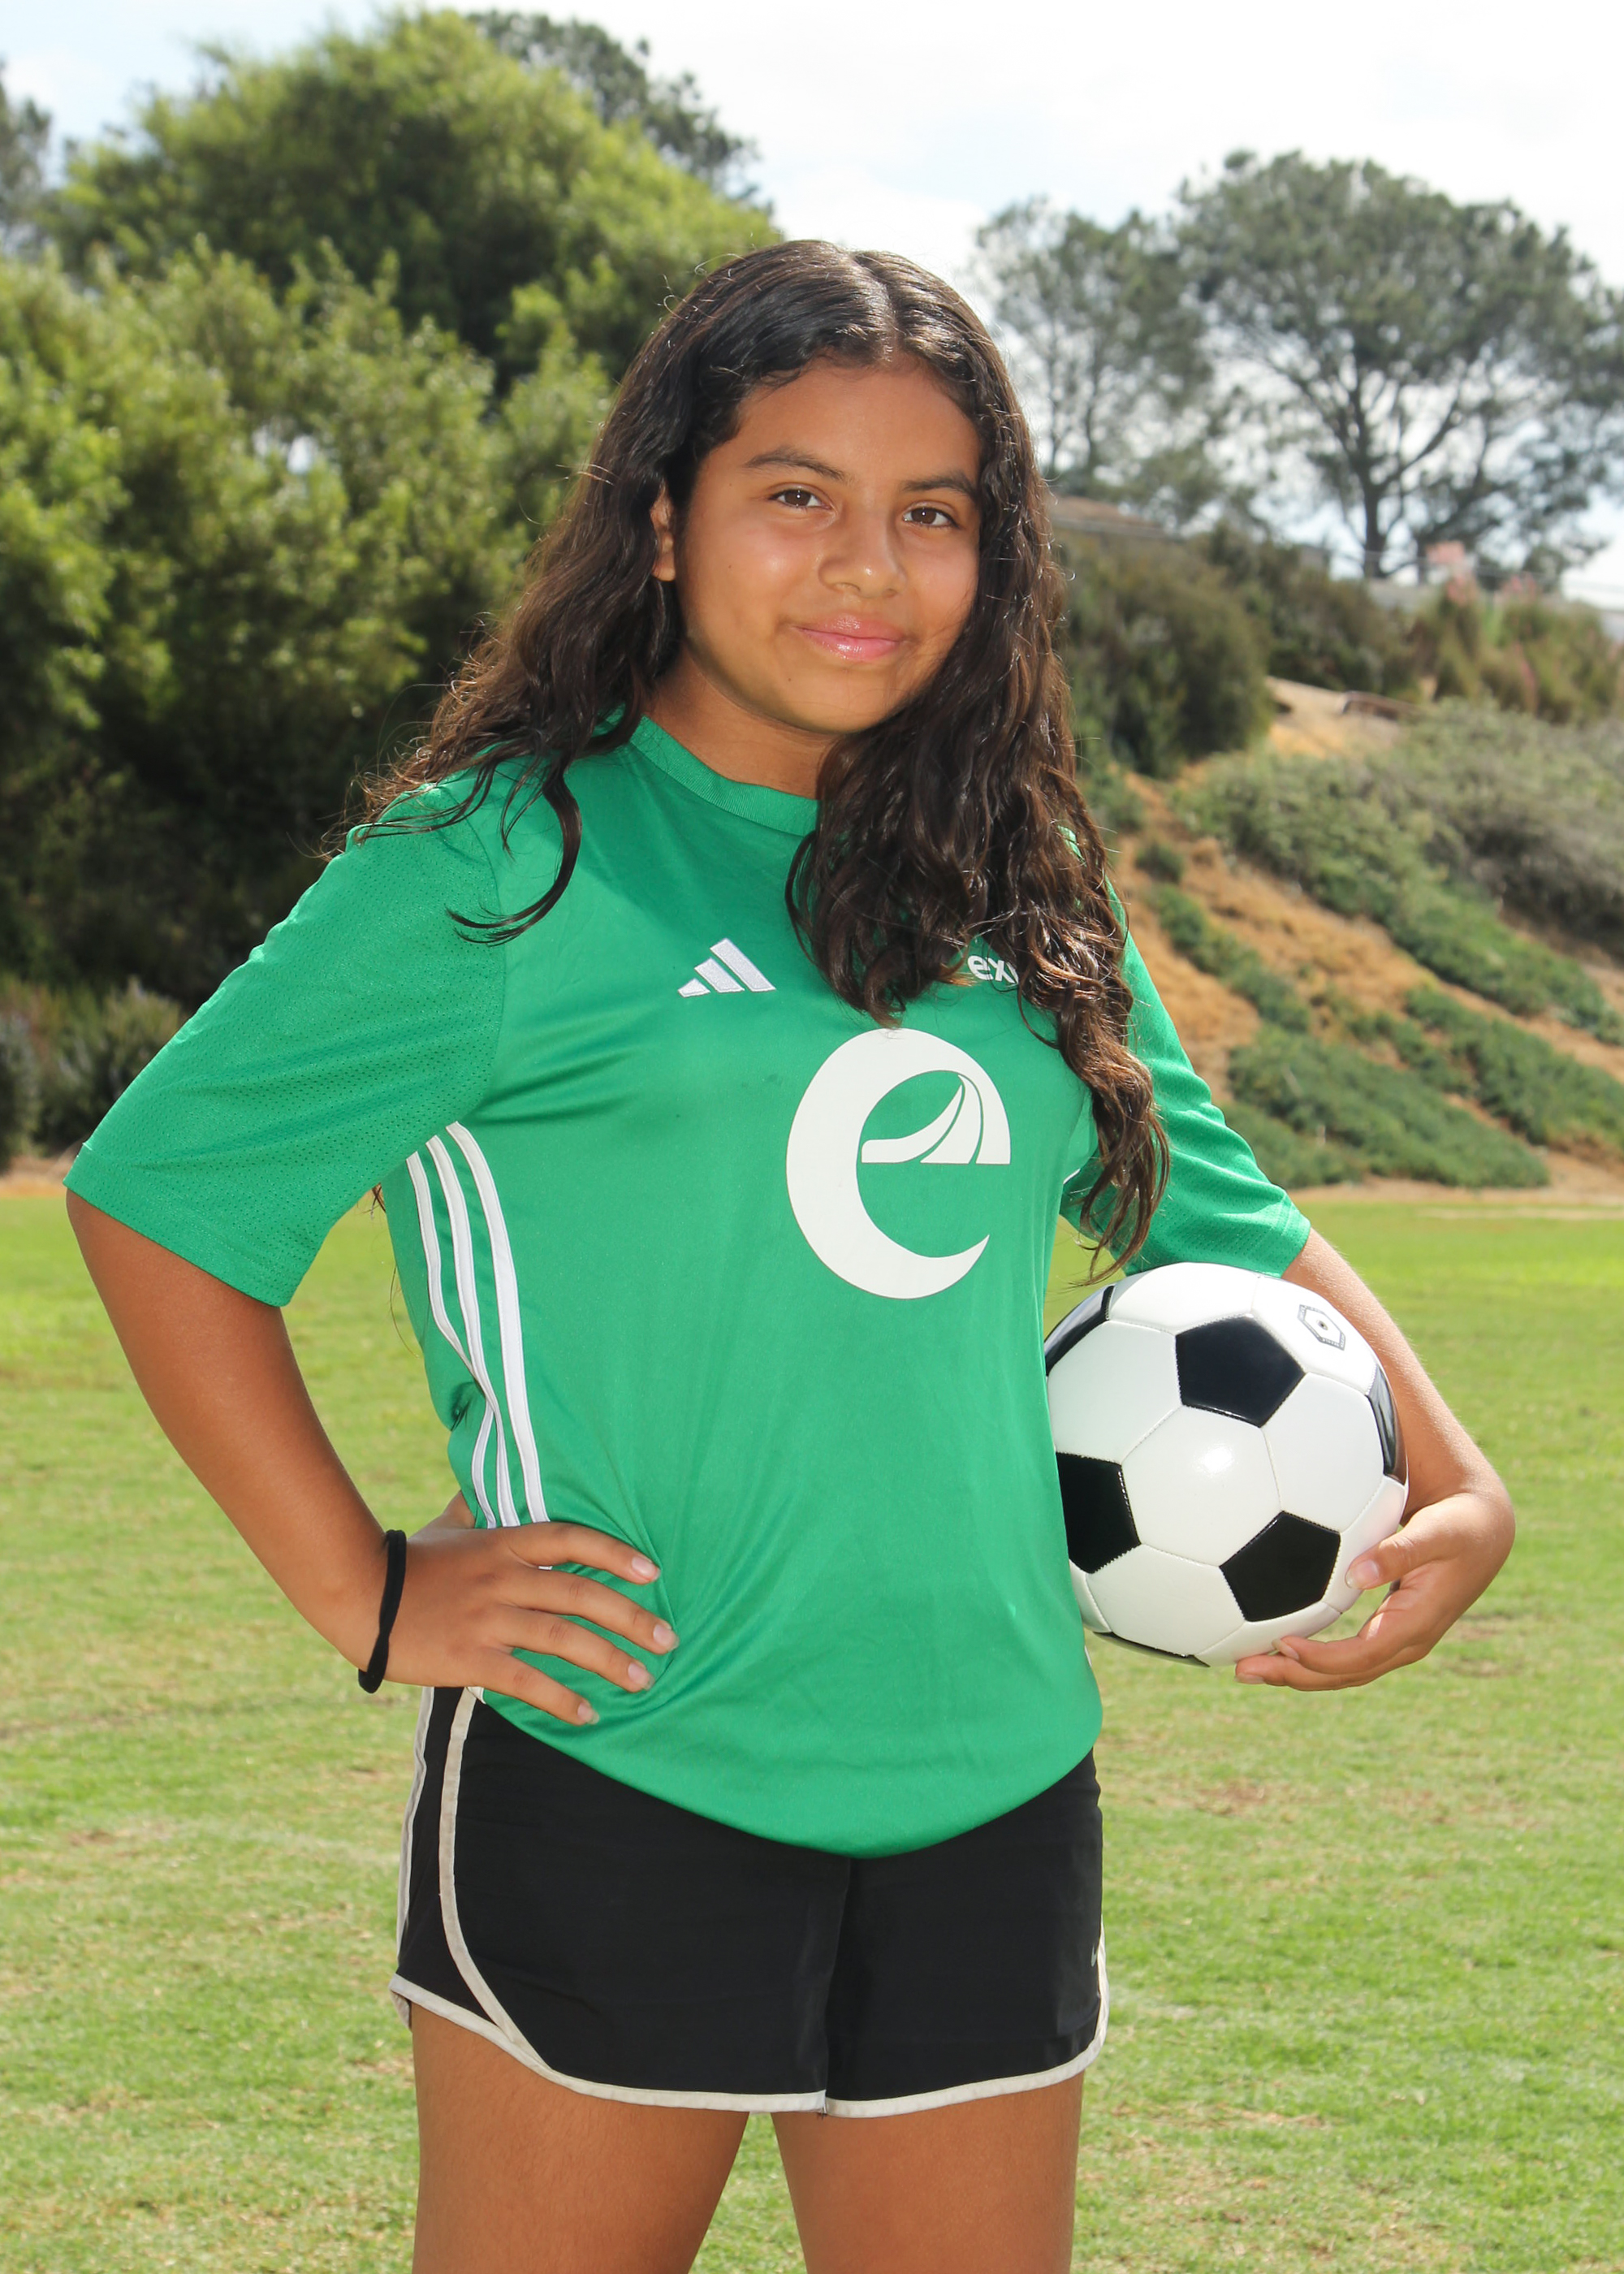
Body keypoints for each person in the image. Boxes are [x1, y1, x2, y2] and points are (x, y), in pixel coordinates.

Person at [66, 242, 1513, 2274]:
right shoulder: (505, 860)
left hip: (994, 1778)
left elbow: (1217, 1213)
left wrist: (1460, 1479)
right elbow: (160, 1196)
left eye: (931, 512)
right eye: (796, 493)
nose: (866, 564)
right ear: (662, 517)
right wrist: (363, 1586)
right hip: (627, 1752)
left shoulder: (1017, 884)